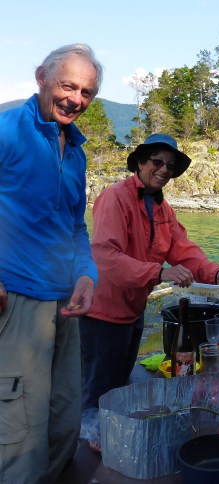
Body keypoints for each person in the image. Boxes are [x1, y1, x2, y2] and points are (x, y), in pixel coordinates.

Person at [79, 133, 219, 415]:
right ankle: (87, 447)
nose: (164, 170)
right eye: (157, 162)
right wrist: (161, 273)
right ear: (140, 163)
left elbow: (184, 251)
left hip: (134, 310)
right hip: (103, 314)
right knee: (98, 393)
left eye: (170, 166)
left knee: (121, 385)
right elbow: (106, 257)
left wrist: (216, 275)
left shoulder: (163, 209)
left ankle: (112, 444)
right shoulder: (115, 197)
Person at [0, 44, 102, 483]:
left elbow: (76, 226)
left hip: (66, 304)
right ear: (41, 76)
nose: (76, 99)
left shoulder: (76, 152)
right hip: (19, 301)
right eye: (68, 85)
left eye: (87, 92)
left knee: (65, 421)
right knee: (20, 433)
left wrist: (86, 274)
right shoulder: (7, 130)